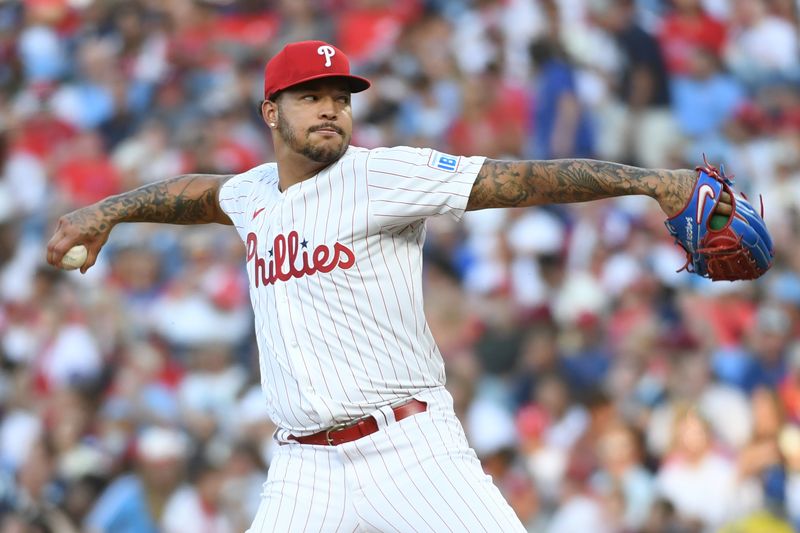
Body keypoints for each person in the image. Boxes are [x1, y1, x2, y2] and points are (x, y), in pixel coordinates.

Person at [47, 40, 732, 532]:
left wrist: (648, 181)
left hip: (409, 446)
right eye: (310, 96)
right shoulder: (252, 192)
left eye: (340, 98)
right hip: (302, 466)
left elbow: (522, 178)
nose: (330, 109)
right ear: (270, 113)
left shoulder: (381, 175)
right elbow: (193, 195)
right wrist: (107, 210)